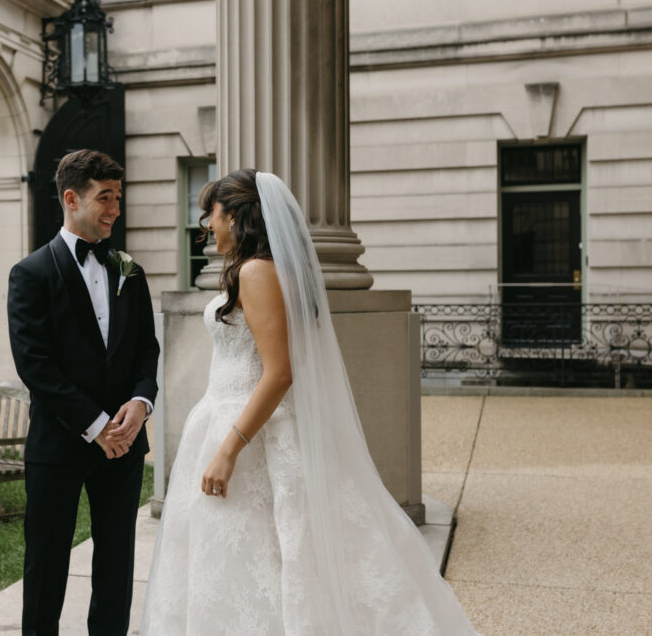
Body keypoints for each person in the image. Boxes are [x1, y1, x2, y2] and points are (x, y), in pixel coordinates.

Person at [141, 169, 477, 635]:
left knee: (258, 559)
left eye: (211, 215)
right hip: (226, 419)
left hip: (249, 435)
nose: (206, 226)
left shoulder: (257, 272)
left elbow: (280, 372)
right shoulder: (257, 269)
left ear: (236, 216)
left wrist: (228, 450)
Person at [7, 149, 160, 636]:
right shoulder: (30, 274)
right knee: (46, 565)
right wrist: (96, 427)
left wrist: (140, 403)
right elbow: (35, 365)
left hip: (125, 444)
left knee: (116, 566)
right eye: (105, 197)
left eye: (118, 196)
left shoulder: (130, 272)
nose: (116, 207)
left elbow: (146, 352)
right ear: (71, 199)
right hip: (58, 444)